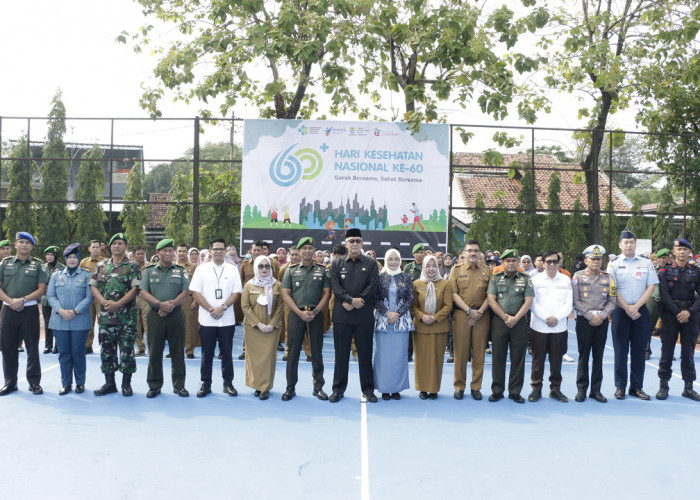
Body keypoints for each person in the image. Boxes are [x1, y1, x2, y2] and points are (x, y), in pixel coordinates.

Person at [329, 228, 379, 403]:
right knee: (341, 354)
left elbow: (373, 287)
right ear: (346, 243)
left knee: (365, 355)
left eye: (358, 241)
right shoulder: (337, 263)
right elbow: (335, 286)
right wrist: (350, 300)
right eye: (352, 241)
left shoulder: (371, 263)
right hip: (342, 316)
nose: (355, 244)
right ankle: (338, 389)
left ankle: (368, 389)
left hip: (363, 316)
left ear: (362, 243)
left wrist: (357, 301)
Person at [189, 238, 242, 397]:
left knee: (227, 353)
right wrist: (211, 309)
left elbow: (237, 293)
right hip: (207, 319)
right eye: (215, 249)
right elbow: (196, 292)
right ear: (210, 251)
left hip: (227, 319)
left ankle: (228, 383)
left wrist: (223, 307)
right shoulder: (201, 269)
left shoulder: (233, 269)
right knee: (207, 353)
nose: (218, 251)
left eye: (221, 249)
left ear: (225, 251)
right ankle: (206, 384)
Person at [608, 230, 658, 400]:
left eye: (631, 242)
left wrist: (636, 307)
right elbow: (611, 289)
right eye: (625, 242)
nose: (629, 245)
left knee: (639, 351)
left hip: (640, 311)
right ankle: (620, 387)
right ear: (620, 245)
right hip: (620, 311)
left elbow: (650, 287)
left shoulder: (646, 263)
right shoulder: (613, 264)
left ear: (635, 244)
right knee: (620, 350)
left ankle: (636, 387)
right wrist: (627, 307)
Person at [90, 233, 141, 397]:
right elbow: (94, 286)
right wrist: (104, 302)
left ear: (126, 247)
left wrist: (119, 304)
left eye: (120, 243)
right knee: (107, 350)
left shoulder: (133, 266)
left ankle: (126, 384)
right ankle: (109, 383)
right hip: (106, 317)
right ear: (110, 247)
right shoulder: (101, 265)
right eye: (114, 244)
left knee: (127, 351)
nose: (117, 246)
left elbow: (135, 289)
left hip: (126, 317)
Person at [139, 239, 191, 398]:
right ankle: (154, 385)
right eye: (164, 251)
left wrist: (171, 306)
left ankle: (179, 385)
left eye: (170, 250)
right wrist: (160, 304)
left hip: (176, 315)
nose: (168, 253)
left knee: (177, 352)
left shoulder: (181, 270)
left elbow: (185, 291)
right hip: (155, 315)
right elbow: (143, 291)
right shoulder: (148, 271)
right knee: (154, 351)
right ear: (158, 253)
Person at [280, 237, 331, 401]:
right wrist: (299, 312)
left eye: (310, 248)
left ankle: (318, 387)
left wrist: (316, 311)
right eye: (304, 248)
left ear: (314, 250)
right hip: (296, 314)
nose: (307, 251)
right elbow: (285, 294)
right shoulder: (291, 270)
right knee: (293, 352)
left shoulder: (322, 270)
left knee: (316, 352)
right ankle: (290, 387)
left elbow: (327, 293)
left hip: (316, 315)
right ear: (299, 251)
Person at [0, 232, 49, 395]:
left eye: (27, 243)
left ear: (32, 246)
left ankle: (34, 382)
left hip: (29, 310)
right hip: (8, 310)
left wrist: (22, 300)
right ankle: (10, 382)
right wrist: (11, 301)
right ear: (15, 245)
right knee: (8, 347)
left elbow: (42, 289)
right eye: (21, 242)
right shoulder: (4, 263)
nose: (24, 245)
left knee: (32, 347)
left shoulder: (38, 265)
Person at [486, 249, 534, 403]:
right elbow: (491, 300)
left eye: (514, 261)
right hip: (500, 322)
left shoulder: (526, 279)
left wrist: (515, 318)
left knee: (518, 358)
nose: (511, 263)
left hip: (519, 322)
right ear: (503, 263)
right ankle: (497, 391)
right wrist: (506, 317)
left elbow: (528, 301)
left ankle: (515, 392)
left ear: (518, 262)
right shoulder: (495, 278)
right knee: (498, 357)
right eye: (507, 261)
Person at [656, 239, 700, 401]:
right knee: (667, 351)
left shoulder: (696, 272)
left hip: (690, 315)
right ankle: (663, 385)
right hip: (670, 315)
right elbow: (664, 294)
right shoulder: (664, 271)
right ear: (673, 252)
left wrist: (689, 312)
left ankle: (688, 387)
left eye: (685, 249)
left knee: (688, 352)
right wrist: (677, 312)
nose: (682, 252)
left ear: (689, 252)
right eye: (679, 249)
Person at [571, 245, 616, 403]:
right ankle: (581, 390)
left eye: (598, 259)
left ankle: (596, 391)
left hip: (602, 321)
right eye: (592, 259)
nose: (596, 262)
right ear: (586, 260)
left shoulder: (608, 278)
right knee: (584, 356)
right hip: (584, 320)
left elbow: (612, 301)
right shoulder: (578, 277)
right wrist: (590, 315)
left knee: (598, 356)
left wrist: (602, 316)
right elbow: (575, 300)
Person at [47, 244, 93, 395]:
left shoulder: (87, 275)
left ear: (79, 259)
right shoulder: (56, 275)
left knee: (78, 353)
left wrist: (75, 311)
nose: (72, 260)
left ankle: (80, 383)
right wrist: (61, 311)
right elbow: (50, 296)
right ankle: (66, 384)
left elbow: (89, 297)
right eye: (69, 257)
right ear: (65, 259)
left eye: (75, 257)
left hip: (79, 321)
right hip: (59, 321)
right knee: (64, 354)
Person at [528, 250, 573, 403]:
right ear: (543, 262)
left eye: (555, 261)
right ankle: (536, 388)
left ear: (559, 262)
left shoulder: (566, 280)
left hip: (559, 327)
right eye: (548, 261)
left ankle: (555, 389)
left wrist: (557, 317)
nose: (552, 264)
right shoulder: (535, 280)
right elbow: (532, 303)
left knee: (556, 361)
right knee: (537, 360)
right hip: (539, 326)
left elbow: (569, 303)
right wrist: (546, 317)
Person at [449, 240, 492, 400]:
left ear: (479, 253)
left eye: (476, 250)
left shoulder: (487, 271)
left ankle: (476, 387)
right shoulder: (456, 270)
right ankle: (459, 386)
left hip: (482, 315)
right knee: (460, 352)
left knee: (479, 353)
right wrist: (468, 311)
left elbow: (491, 295)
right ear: (465, 253)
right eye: (469, 250)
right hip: (462, 314)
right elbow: (453, 294)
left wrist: (479, 312)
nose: (473, 253)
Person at [241, 255, 284, 400]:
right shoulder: (249, 285)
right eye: (261, 266)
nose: (264, 269)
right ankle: (256, 385)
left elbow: (281, 306)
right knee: (254, 358)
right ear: (255, 268)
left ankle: (265, 387)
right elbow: (245, 306)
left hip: (272, 328)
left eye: (267, 266)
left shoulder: (277, 285)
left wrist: (271, 324)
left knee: (268, 358)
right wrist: (258, 324)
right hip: (253, 328)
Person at [373, 248, 413, 400]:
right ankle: (384, 388)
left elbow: (410, 298)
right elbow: (375, 298)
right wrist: (387, 312)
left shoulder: (406, 277)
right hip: (383, 322)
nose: (394, 262)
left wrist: (398, 313)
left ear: (401, 261)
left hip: (400, 322)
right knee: (383, 357)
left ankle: (397, 388)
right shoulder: (379, 277)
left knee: (399, 356)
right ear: (385, 261)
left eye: (396, 259)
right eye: (390, 259)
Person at [411, 255, 453, 399]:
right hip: (421, 328)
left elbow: (448, 305)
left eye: (433, 266)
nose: (431, 269)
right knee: (421, 359)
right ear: (423, 267)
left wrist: (435, 318)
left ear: (438, 267)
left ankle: (434, 388)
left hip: (439, 328)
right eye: (427, 266)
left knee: (436, 359)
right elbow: (413, 306)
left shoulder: (445, 284)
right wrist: (422, 316)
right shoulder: (416, 283)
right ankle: (422, 388)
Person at [175, 244, 199, 359]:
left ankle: (189, 350)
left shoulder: (193, 267)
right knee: (174, 326)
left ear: (187, 253)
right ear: (176, 252)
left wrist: (195, 300)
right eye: (180, 251)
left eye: (184, 251)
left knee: (189, 326)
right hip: (174, 300)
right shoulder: (172, 266)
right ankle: (175, 349)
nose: (182, 253)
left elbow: (197, 286)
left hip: (188, 299)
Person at [79, 240, 103, 354]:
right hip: (88, 296)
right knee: (88, 321)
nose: (95, 249)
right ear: (89, 249)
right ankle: (88, 345)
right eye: (93, 247)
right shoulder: (83, 263)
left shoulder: (105, 262)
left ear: (100, 248)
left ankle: (104, 344)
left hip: (101, 296)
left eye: (97, 247)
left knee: (103, 321)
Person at [41, 246, 65, 354]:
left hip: (58, 300)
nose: (49, 257)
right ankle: (48, 346)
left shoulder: (62, 268)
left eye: (52, 255)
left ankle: (58, 345)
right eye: (47, 254)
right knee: (47, 323)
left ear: (56, 256)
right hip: (45, 300)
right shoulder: (42, 268)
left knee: (58, 323)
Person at [131, 245, 150, 357]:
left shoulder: (150, 267)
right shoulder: (130, 267)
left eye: (142, 253)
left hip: (146, 299)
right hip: (133, 298)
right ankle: (140, 347)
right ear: (133, 255)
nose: (140, 255)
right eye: (138, 253)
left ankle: (151, 348)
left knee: (148, 325)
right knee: (135, 325)